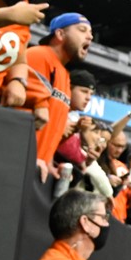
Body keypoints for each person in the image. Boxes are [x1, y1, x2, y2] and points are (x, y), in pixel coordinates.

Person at [25, 12, 93, 182]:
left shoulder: (65, 75)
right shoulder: (39, 55)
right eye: (82, 30)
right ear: (60, 34)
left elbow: (53, 128)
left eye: (91, 33)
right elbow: (23, 112)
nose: (89, 37)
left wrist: (48, 162)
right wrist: (31, 157)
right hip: (20, 159)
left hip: (37, 165)